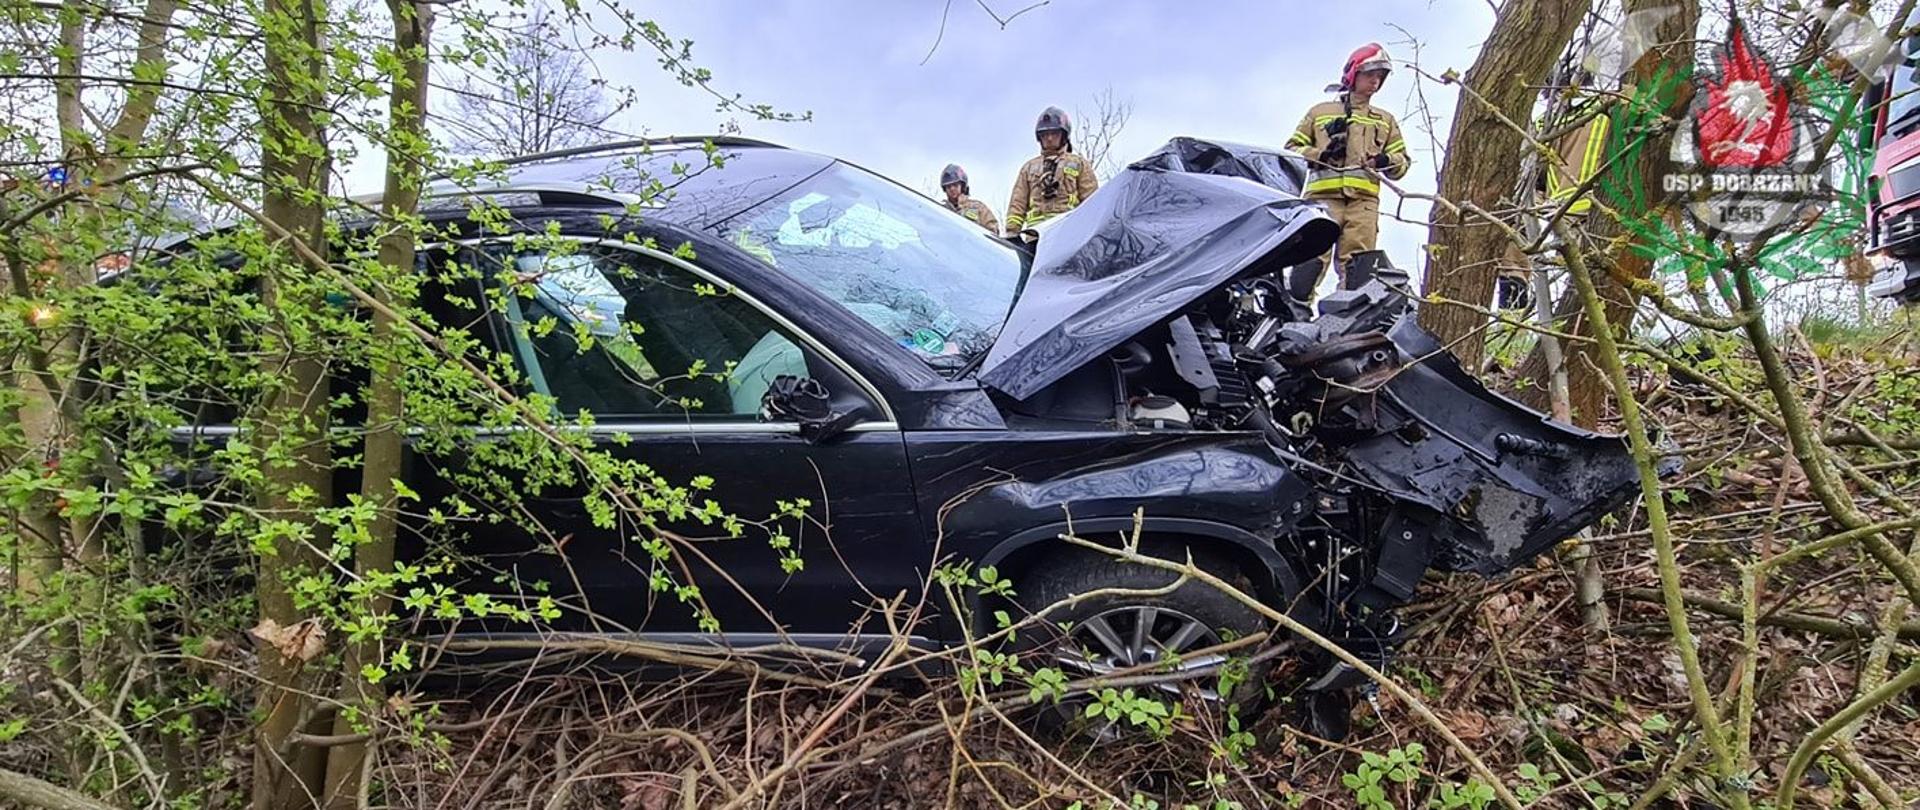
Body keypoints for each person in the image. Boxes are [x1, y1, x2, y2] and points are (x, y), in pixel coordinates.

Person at [1286, 43, 1412, 301]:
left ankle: (1344, 323)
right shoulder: (1320, 112)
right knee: (1309, 260)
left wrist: (1385, 160)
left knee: (1358, 267)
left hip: (1363, 204)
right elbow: (1291, 150)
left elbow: (1403, 162)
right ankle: (1295, 316)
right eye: (1370, 75)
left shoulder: (1384, 120)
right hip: (1322, 200)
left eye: (1380, 77)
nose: (1375, 82)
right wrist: (1320, 155)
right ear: (1354, 73)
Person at [1005, 106, 1098, 239]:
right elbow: (1017, 204)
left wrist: (1091, 234)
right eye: (1045, 134)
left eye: (1054, 133)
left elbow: (1092, 203)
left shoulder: (1079, 164)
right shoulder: (1029, 168)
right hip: (1035, 239)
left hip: (1069, 235)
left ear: (1064, 135)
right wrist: (1012, 233)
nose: (1049, 138)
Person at [939, 163, 1000, 234]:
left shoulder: (978, 207)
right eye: (948, 186)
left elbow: (993, 231)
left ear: (962, 186)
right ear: (944, 189)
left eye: (955, 185)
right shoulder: (941, 210)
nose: (952, 189)